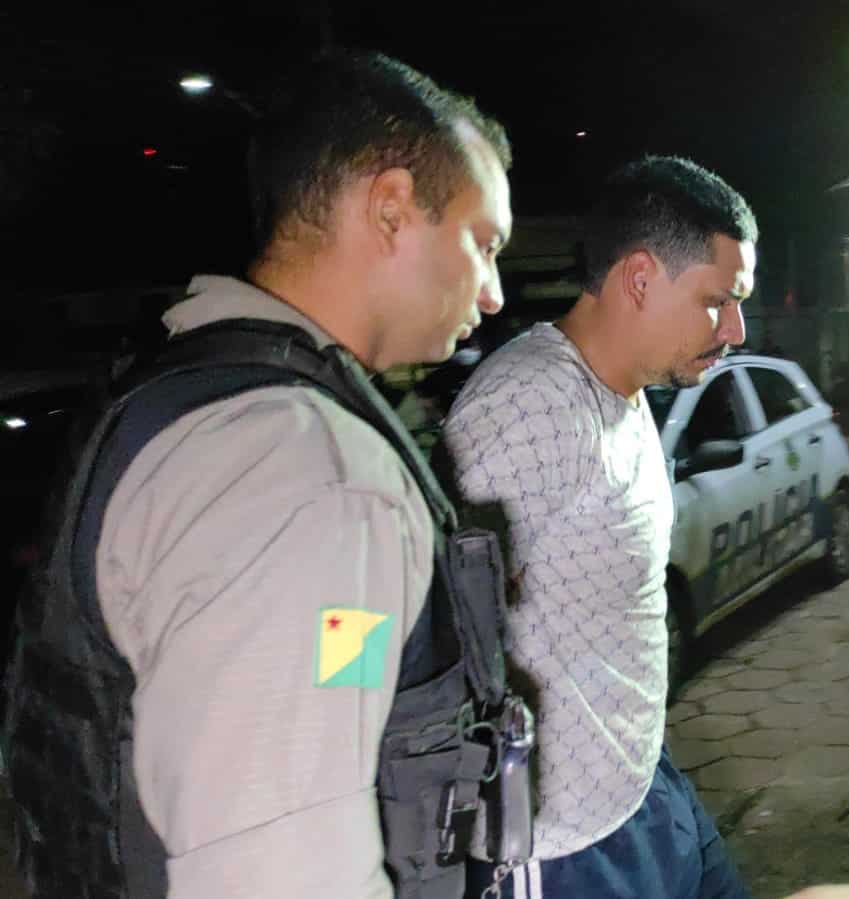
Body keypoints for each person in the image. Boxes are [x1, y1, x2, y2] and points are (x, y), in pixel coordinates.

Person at [2, 51, 514, 899]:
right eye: (483, 242)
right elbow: (276, 872)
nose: (493, 292)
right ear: (391, 209)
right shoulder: (309, 475)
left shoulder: (193, 389)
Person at [442, 155, 758, 899]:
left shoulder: (625, 390)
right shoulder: (529, 407)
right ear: (640, 278)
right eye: (718, 301)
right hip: (563, 845)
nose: (735, 329)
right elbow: (432, 624)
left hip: (642, 782)